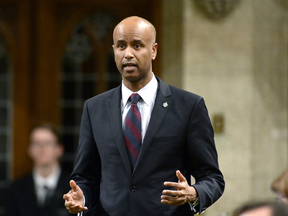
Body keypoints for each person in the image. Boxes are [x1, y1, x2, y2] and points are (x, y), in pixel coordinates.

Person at [63, 16, 225, 216]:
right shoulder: (94, 108)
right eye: (121, 46)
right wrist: (82, 197)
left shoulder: (189, 106)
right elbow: (86, 177)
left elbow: (212, 178)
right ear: (114, 51)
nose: (128, 54)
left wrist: (193, 193)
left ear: (154, 50)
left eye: (137, 45)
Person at [7, 123, 73, 216]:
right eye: (37, 143)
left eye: (47, 143)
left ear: (59, 149)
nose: (42, 149)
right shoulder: (16, 190)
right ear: (30, 150)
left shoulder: (73, 188)